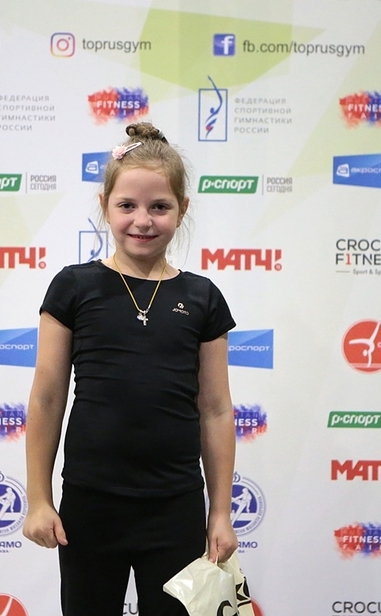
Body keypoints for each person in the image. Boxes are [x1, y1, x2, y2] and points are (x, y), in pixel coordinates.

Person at [23, 122, 238, 616]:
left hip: (176, 507)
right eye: (127, 206)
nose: (143, 220)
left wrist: (221, 513)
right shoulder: (74, 287)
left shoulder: (202, 298)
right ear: (105, 206)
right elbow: (47, 397)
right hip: (90, 505)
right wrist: (38, 498)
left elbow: (215, 409)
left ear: (182, 209)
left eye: (159, 207)